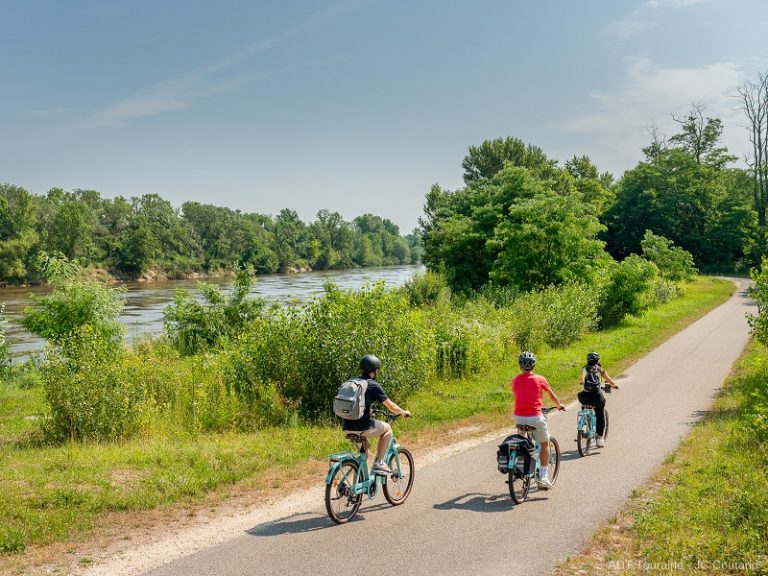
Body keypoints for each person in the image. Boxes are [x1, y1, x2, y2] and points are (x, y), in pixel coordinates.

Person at [343, 354, 411, 474]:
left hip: (347, 427)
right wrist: (402, 412)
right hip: (362, 427)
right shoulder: (372, 384)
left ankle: (355, 489)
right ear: (374, 371)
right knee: (387, 429)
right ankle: (380, 463)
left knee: (364, 456)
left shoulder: (352, 382)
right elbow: (391, 406)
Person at [511, 351, 565, 490]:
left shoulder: (515, 380)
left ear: (520, 365)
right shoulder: (540, 379)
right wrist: (559, 405)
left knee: (521, 440)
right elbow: (551, 396)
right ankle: (544, 477)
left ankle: (519, 463)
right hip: (535, 416)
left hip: (519, 417)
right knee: (545, 443)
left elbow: (520, 395)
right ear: (534, 365)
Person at [577, 352, 618, 448]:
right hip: (596, 397)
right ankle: (599, 438)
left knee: (584, 407)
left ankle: (582, 427)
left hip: (584, 396)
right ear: (598, 360)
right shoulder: (600, 370)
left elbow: (581, 381)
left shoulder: (583, 369)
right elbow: (609, 381)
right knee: (600, 414)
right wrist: (614, 385)